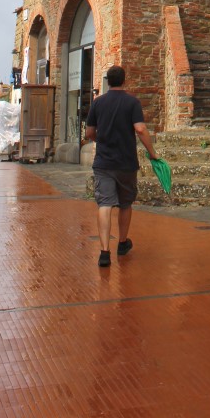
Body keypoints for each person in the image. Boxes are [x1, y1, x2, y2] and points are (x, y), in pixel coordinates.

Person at [85, 65, 157, 267]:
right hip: (126, 162)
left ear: (107, 81)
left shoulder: (98, 103)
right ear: (124, 81)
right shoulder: (132, 102)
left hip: (104, 163)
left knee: (105, 204)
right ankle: (123, 243)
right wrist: (152, 153)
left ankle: (104, 252)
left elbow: (89, 133)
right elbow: (140, 129)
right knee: (125, 203)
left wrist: (102, 140)